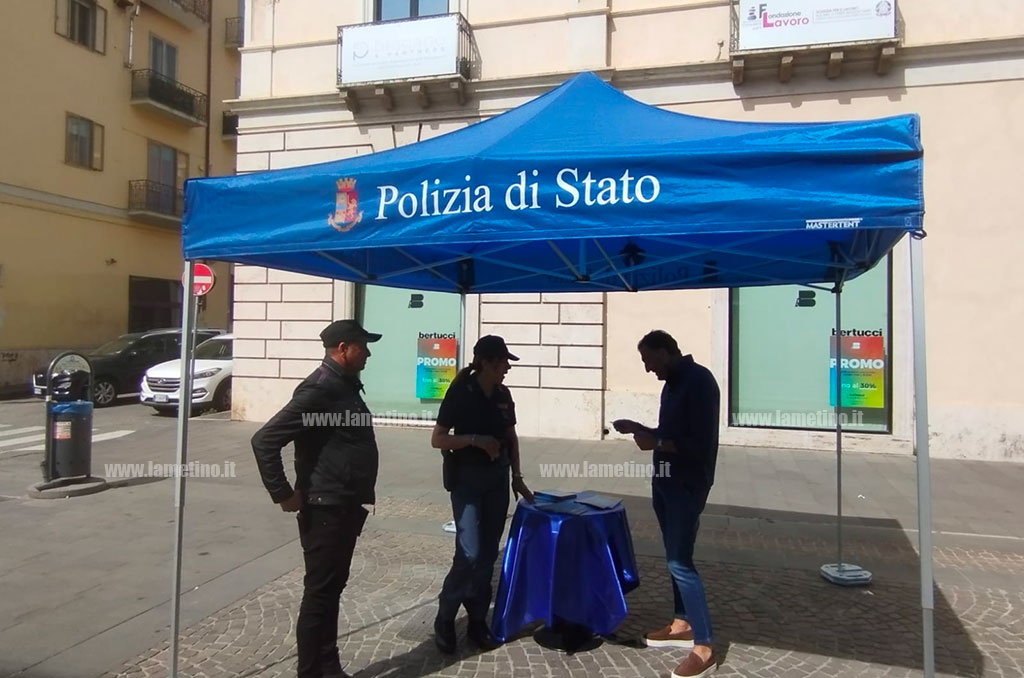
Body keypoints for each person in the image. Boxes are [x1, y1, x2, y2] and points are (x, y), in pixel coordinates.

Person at [251, 319, 382, 678]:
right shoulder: (320, 389)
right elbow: (265, 440)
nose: (368, 351)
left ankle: (329, 665)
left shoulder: (343, 385)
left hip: (343, 505)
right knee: (320, 593)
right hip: (326, 507)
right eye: (362, 345)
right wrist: (283, 493)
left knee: (330, 590)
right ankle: (311, 671)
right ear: (342, 349)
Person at [612, 329, 720, 678]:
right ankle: (681, 624)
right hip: (665, 482)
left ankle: (704, 647)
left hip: (687, 485)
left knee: (679, 562)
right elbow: (669, 433)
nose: (647, 369)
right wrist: (639, 428)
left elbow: (697, 444)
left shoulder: (700, 382)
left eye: (649, 361)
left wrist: (657, 444)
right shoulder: (672, 383)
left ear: (666, 352)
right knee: (676, 556)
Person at [429, 335, 534, 654]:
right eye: (503, 362)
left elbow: (511, 437)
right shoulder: (461, 392)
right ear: (486, 363)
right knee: (469, 552)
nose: (507, 368)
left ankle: (477, 620)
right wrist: (474, 439)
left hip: (497, 481)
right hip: (466, 481)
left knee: (488, 554)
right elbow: (438, 439)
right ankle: (445, 616)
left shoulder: (503, 394)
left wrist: (517, 477)